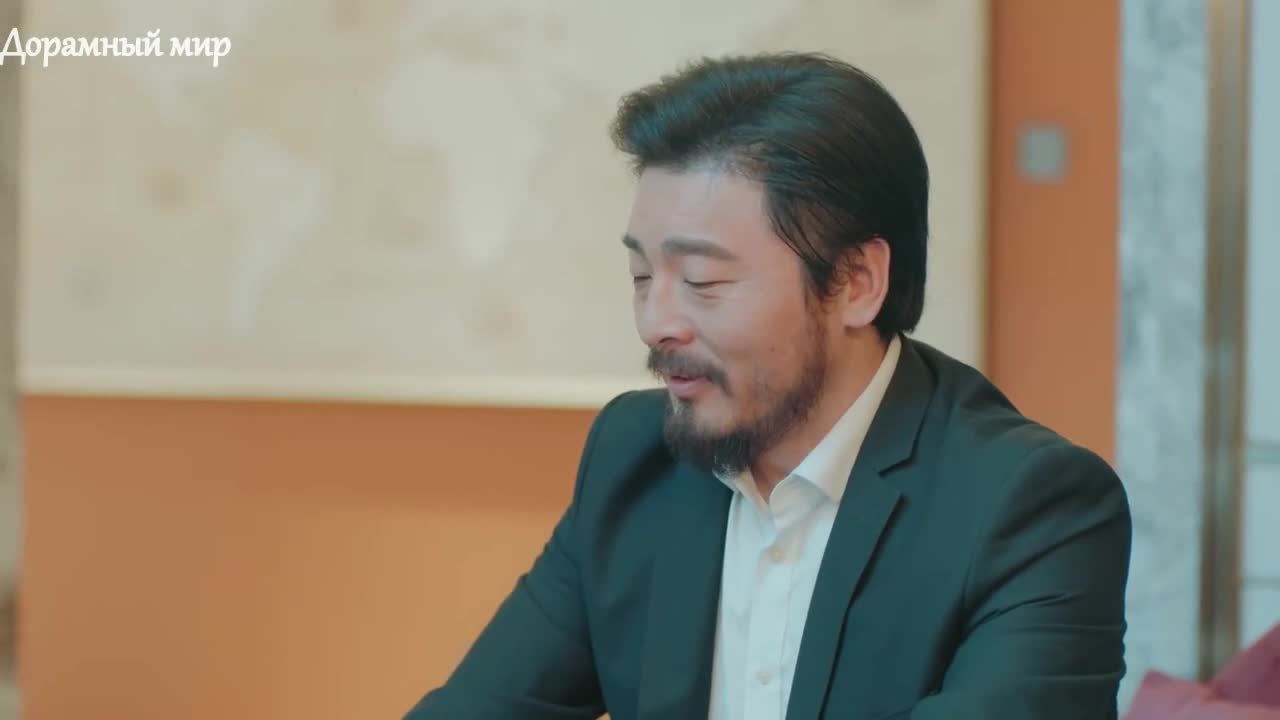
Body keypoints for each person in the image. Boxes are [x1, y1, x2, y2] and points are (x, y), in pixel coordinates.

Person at [404, 51, 1132, 720]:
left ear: (856, 282)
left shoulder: (1029, 507)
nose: (656, 323)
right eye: (641, 276)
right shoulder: (635, 459)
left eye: (702, 281)